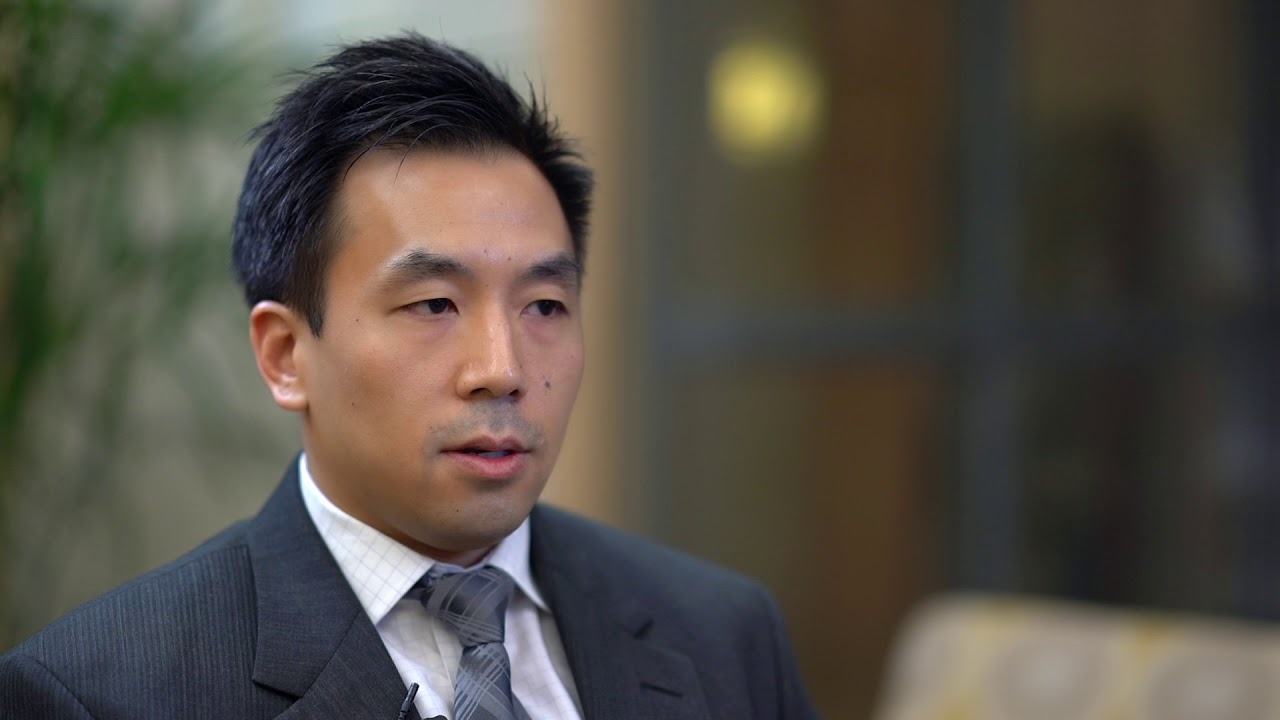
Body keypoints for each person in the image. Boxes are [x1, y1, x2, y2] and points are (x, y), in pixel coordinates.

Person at [0, 33, 818, 719]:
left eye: (544, 305)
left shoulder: (724, 635)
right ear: (285, 354)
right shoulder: (103, 693)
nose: (502, 370)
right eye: (433, 304)